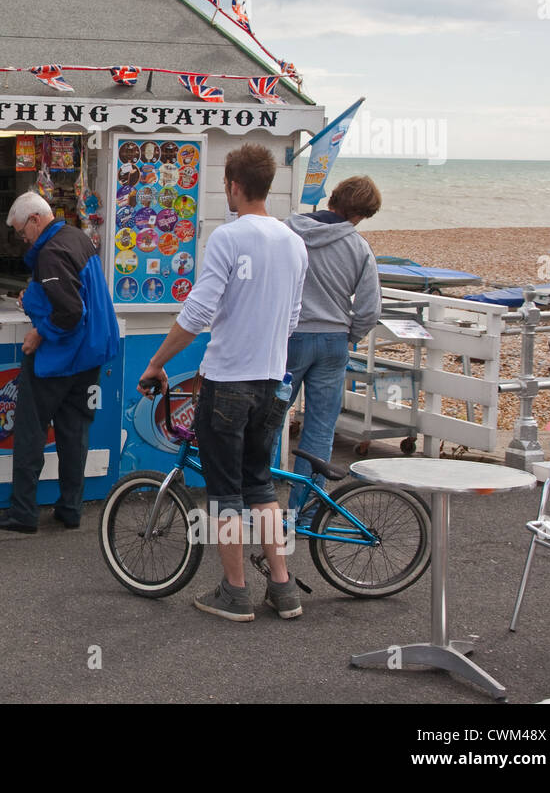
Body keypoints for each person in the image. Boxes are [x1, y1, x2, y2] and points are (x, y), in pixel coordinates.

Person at [137, 144, 308, 621]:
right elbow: (293, 318)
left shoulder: (228, 238)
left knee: (225, 493)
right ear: (268, 184)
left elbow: (197, 313)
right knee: (262, 487)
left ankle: (235, 592)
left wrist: (156, 362)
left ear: (233, 185)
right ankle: (283, 586)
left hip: (229, 380)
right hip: (273, 382)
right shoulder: (294, 242)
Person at [0, 191, 119, 533]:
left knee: (30, 432)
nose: (21, 239)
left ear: (35, 219)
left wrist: (38, 333)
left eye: (21, 231)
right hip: (89, 356)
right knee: (74, 435)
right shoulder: (76, 237)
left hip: (59, 357)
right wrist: (33, 295)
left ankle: (23, 512)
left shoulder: (50, 253)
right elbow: (75, 292)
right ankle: (70, 509)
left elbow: (71, 311)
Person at [283, 176, 383, 521]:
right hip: (333, 341)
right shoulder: (359, 248)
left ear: (333, 200)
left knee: (267, 423)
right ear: (361, 214)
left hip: (290, 336)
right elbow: (369, 310)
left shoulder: (289, 231)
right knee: (320, 429)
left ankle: (259, 506)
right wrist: (349, 335)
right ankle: (305, 511)